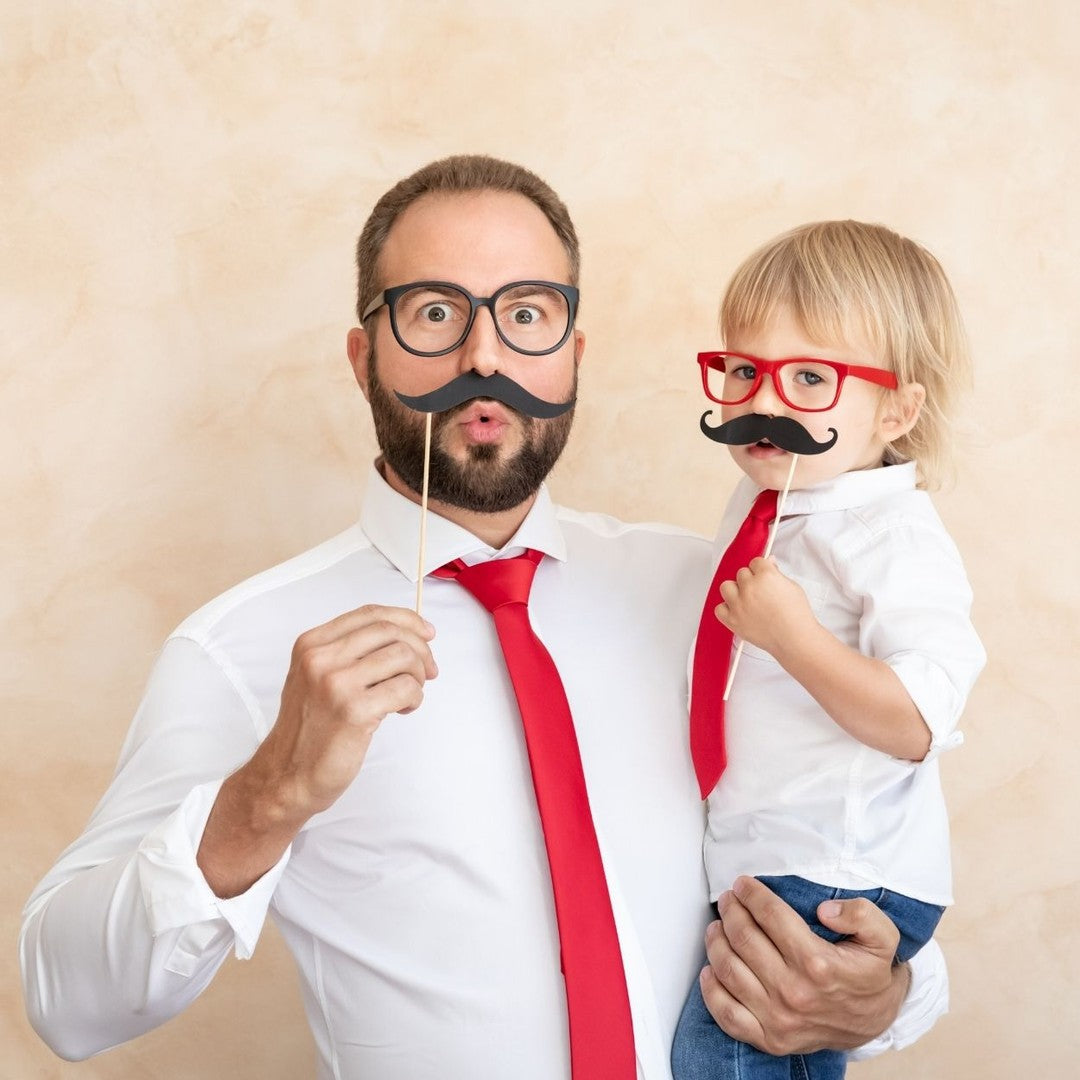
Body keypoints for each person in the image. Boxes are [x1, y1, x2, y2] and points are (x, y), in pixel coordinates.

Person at [21, 159, 948, 1080]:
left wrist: (891, 991)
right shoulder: (235, 650)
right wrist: (266, 799)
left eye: (527, 314)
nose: (484, 359)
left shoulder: (712, 595)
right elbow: (68, 1006)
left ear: (573, 355)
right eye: (434, 313)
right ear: (362, 359)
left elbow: (843, 809)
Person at [672, 221, 986, 1079]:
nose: (763, 401)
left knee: (723, 1053)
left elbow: (921, 718)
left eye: (811, 377)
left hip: (834, 869)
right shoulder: (775, 497)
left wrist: (795, 638)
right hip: (774, 857)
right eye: (744, 370)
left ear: (897, 410)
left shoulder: (891, 535)